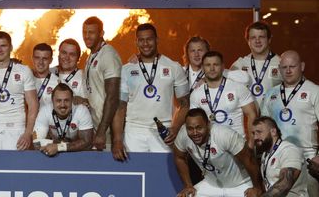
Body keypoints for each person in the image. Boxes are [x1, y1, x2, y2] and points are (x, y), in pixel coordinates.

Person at [113, 23, 190, 161]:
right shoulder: (126, 69)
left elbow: (185, 104)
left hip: (164, 130)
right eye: (141, 40)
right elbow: (120, 107)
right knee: (136, 176)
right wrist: (117, 140)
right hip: (134, 131)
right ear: (136, 42)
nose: (145, 44)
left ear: (157, 40)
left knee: (163, 176)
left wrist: (175, 127)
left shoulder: (173, 67)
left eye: (149, 39)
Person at [260, 50, 319, 196]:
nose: (288, 71)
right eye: (284, 67)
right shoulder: (270, 94)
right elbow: (264, 128)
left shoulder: (315, 91)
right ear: (279, 68)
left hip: (307, 157)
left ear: (302, 66)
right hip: (277, 157)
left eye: (292, 66)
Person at [173, 108, 264, 197]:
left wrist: (257, 188)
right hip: (211, 186)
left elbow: (250, 160)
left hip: (240, 185)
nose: (195, 133)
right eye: (190, 129)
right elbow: (179, 157)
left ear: (208, 125)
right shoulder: (183, 135)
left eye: (199, 128)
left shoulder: (224, 135)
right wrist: (188, 185)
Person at [190, 51, 258, 141]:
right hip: (211, 145)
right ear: (202, 68)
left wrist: (251, 143)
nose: (212, 68)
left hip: (238, 144)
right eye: (208, 65)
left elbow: (252, 115)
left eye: (216, 64)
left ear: (223, 67)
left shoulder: (238, 88)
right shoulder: (196, 94)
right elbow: (192, 122)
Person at [81, 17, 122, 151]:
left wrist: (101, 131)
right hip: (95, 126)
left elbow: (113, 96)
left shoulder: (108, 55)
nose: (87, 36)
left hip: (106, 130)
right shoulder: (91, 55)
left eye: (91, 32)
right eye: (85, 32)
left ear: (101, 33)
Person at [252, 116, 309, 196]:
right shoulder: (265, 155)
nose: (255, 137)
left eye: (259, 132)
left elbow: (285, 184)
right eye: (253, 133)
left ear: (273, 132)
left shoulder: (288, 150)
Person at [33, 83, 94, 156]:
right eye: (58, 101)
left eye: (66, 100)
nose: (62, 105)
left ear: (72, 100)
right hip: (54, 154)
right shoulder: (45, 111)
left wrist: (58, 147)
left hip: (77, 155)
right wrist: (67, 146)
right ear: (52, 101)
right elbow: (36, 143)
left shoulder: (81, 110)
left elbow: (87, 142)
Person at [231, 22, 281, 106]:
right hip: (248, 117)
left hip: (274, 117)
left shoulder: (281, 63)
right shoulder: (239, 65)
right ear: (248, 41)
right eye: (253, 37)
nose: (257, 41)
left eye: (261, 37)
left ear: (269, 39)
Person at [54, 39, 88, 104]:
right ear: (58, 54)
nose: (67, 57)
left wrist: (83, 100)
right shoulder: (48, 72)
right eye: (64, 53)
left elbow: (93, 103)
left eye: (72, 54)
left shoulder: (85, 77)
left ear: (78, 58)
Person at [31, 43, 59, 112]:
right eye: (37, 58)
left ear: (51, 60)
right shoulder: (25, 79)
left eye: (45, 59)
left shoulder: (57, 83)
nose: (41, 62)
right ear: (32, 58)